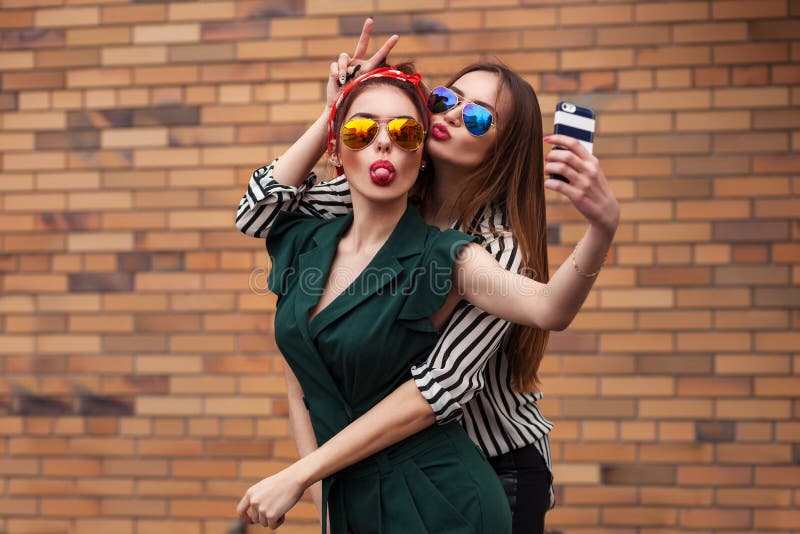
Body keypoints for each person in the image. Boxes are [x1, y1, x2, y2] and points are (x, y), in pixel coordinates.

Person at [235, 19, 619, 534]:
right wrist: (336, 111)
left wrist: (602, 225)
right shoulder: (385, 190)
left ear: (502, 151)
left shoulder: (491, 250)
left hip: (493, 463)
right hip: (381, 465)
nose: (455, 115)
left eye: (479, 117)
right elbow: (257, 213)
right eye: (446, 99)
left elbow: (440, 385)